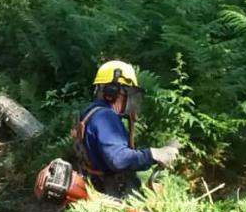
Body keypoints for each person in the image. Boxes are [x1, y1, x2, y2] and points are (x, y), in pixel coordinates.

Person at [72, 60, 180, 199]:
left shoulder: (90, 111)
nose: (132, 100)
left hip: (96, 187)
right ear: (113, 91)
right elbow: (119, 159)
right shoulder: (105, 117)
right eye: (130, 93)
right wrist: (153, 154)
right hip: (111, 193)